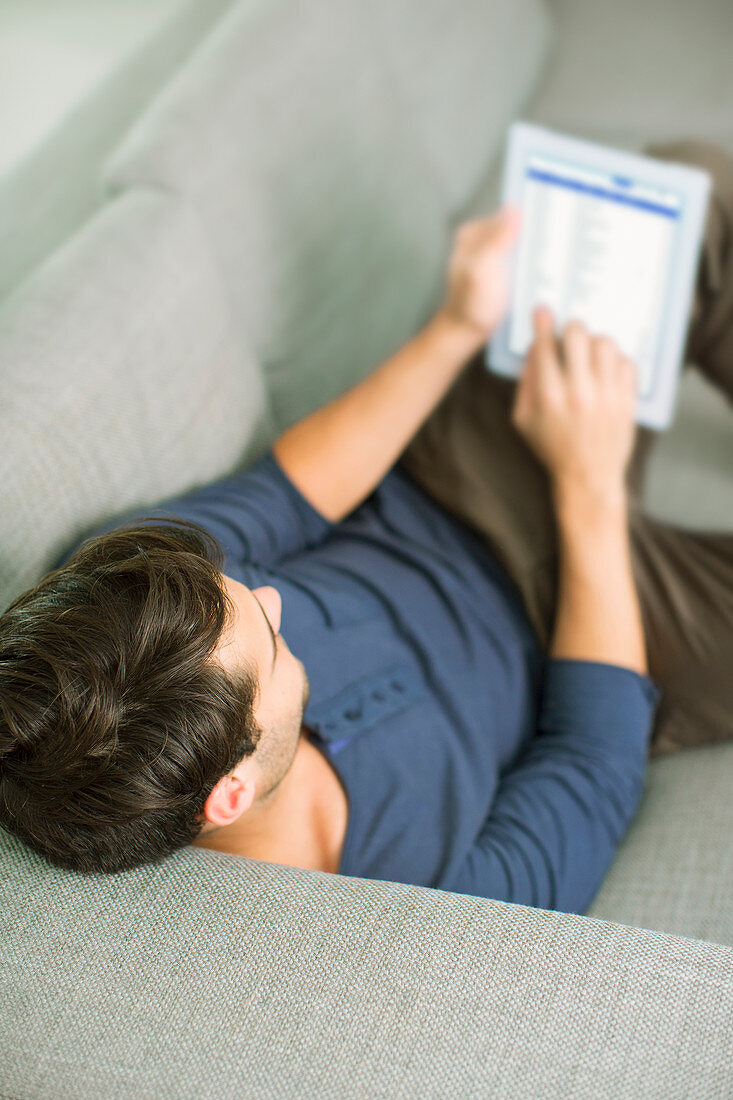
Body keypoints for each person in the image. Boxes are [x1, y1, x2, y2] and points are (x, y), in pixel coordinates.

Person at [0, 140, 731, 917]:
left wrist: (459, 323)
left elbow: (285, 494)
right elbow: (593, 759)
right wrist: (588, 485)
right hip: (598, 641)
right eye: (272, 647)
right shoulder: (432, 902)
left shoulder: (132, 602)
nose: (274, 599)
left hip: (456, 482)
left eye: (244, 593)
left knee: (677, 196)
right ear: (230, 792)